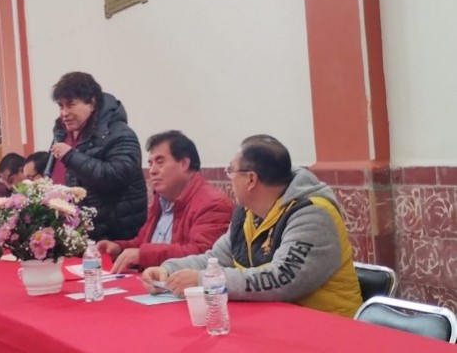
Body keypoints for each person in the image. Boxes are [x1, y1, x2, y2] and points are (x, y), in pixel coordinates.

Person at [141, 134, 362, 317]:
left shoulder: (313, 213)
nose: (229, 178)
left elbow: (281, 279)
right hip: (278, 321)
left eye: (231, 170)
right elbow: (216, 258)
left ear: (251, 179)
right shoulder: (247, 213)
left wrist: (203, 280)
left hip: (329, 328)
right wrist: (169, 270)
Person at [98, 131, 233, 273]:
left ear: (184, 163)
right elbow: (143, 242)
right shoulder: (162, 199)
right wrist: (119, 248)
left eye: (160, 162)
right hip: (151, 280)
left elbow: (202, 254)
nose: (152, 171)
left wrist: (142, 255)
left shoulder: (213, 203)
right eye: (150, 164)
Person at [47, 71, 147, 240]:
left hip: (114, 235)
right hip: (78, 233)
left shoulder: (119, 133)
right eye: (61, 106)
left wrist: (71, 156)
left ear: (92, 103)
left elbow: (117, 177)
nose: (64, 113)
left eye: (70, 104)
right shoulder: (61, 134)